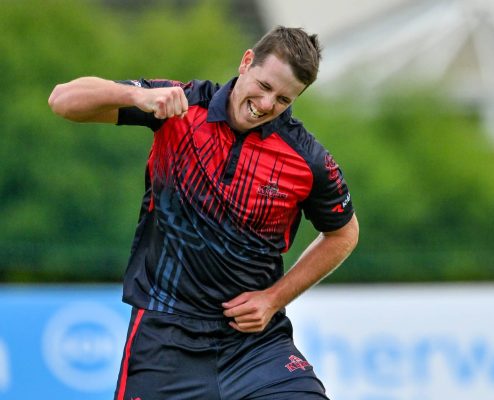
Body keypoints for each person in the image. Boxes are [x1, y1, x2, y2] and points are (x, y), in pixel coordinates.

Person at [48, 26, 359, 400]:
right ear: (246, 62)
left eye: (282, 99)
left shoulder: (307, 159)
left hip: (255, 348)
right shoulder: (180, 103)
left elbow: (343, 233)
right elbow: (63, 100)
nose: (265, 104)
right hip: (163, 338)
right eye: (263, 86)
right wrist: (137, 96)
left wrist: (274, 298)